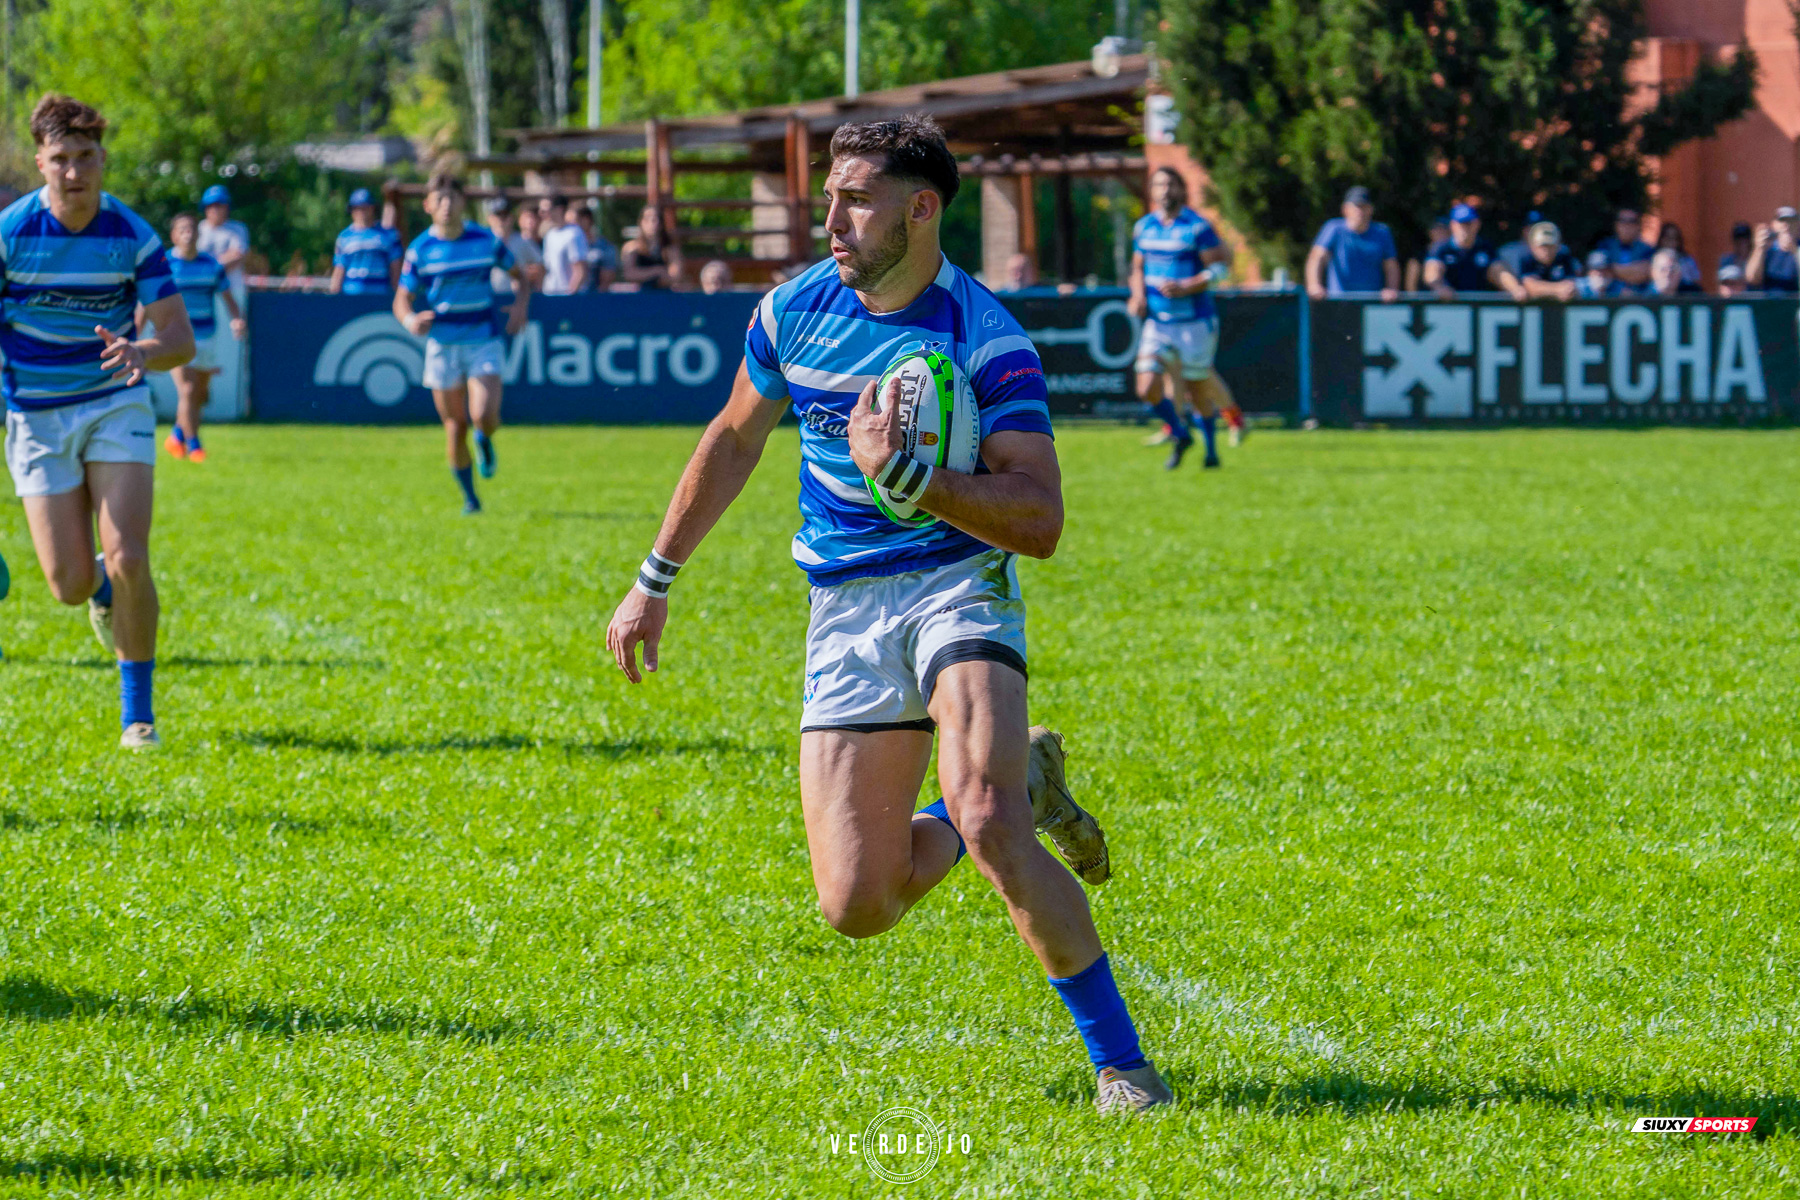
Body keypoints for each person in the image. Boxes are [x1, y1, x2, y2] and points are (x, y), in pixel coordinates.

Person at [604, 114, 1172, 1115]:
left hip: (958, 584)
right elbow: (734, 437)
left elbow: (1039, 519)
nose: (831, 219)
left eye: (856, 200)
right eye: (830, 196)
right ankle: (1023, 777)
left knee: (992, 824)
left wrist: (912, 478)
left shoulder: (987, 339)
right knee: (858, 904)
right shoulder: (791, 312)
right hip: (844, 607)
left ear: (921, 209)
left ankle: (1123, 1067)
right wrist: (654, 579)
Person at [3, 93, 195, 750]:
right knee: (68, 585)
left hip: (115, 403)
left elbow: (179, 339)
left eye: (86, 157)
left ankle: (137, 717)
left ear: (103, 159)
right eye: (61, 158)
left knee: (131, 555)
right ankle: (99, 587)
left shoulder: (131, 235)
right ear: (40, 162)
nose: (74, 171)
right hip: (37, 415)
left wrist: (142, 351)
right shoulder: (10, 235)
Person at [394, 174, 528, 514]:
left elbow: (520, 276)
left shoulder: (485, 240)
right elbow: (402, 299)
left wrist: (520, 307)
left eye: (452, 197)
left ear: (463, 202)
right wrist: (410, 320)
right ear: (427, 205)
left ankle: (484, 437)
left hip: (482, 339)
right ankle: (471, 498)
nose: (447, 205)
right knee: (454, 427)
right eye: (439, 198)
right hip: (442, 345)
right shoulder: (420, 249)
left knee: (484, 415)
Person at [1127, 166, 1241, 469]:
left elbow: (1220, 269)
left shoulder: (1197, 226)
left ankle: (1211, 453)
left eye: (1170, 184)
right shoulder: (1144, 227)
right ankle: (1180, 433)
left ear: (1181, 188)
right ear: (1151, 191)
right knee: (1146, 387)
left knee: (1196, 388)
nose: (1164, 190)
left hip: (1194, 321)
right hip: (1158, 322)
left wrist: (1186, 286)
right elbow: (1137, 267)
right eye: (1158, 184)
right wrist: (1137, 295)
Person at [159, 212, 245, 462]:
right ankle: (195, 446)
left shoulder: (211, 265)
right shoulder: (164, 264)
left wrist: (237, 319)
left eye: (192, 229)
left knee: (199, 395)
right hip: (176, 336)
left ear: (199, 234)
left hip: (206, 336)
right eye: (182, 229)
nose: (188, 233)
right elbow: (149, 300)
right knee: (187, 390)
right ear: (174, 235)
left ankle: (176, 436)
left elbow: (228, 297)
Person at [1305, 186, 1399, 301]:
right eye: (1356, 206)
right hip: (1339, 301)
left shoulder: (1382, 232)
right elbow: (1317, 257)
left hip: (1372, 302)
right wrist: (1314, 285)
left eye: (1364, 207)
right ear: (1345, 209)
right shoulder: (1334, 228)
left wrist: (1391, 289)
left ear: (1371, 209)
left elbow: (1391, 265)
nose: (1360, 211)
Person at [1423, 203, 1509, 298]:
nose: (1465, 228)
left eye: (1469, 223)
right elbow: (1432, 273)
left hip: (1479, 303)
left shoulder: (1485, 247)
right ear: (1452, 225)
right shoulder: (1441, 248)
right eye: (1461, 223)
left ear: (1477, 224)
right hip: (1449, 303)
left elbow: (1499, 271)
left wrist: (1515, 288)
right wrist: (1440, 288)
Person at [330, 188, 403, 295]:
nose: (361, 212)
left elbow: (395, 268)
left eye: (365, 207)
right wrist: (334, 293)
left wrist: (398, 294)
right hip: (351, 295)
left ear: (373, 208)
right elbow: (339, 269)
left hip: (380, 295)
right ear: (351, 210)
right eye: (357, 208)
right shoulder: (344, 237)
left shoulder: (389, 235)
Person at [484, 196, 543, 297]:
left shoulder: (523, 242)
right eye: (498, 215)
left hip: (515, 299)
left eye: (505, 215)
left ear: (512, 217)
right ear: (490, 218)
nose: (501, 220)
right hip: (489, 298)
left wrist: (537, 289)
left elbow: (541, 266)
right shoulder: (483, 243)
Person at [196, 184, 249, 291]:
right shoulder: (198, 228)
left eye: (219, 205)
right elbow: (192, 257)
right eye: (211, 205)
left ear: (227, 207)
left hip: (233, 287)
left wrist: (207, 267)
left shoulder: (238, 228)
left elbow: (236, 256)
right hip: (203, 287)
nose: (214, 209)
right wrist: (220, 262)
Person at [1513, 222, 1581, 300]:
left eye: (1551, 246)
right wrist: (1557, 290)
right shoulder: (1526, 257)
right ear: (1532, 246)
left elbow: (1570, 285)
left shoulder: (1564, 256)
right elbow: (1530, 286)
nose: (1547, 251)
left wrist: (1547, 289)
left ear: (1558, 246)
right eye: (1542, 246)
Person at [537, 194, 589, 296]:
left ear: (559, 209)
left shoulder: (574, 233)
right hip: (550, 295)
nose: (541, 214)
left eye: (545, 210)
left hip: (567, 298)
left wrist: (568, 296)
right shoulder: (549, 234)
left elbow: (580, 271)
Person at [1593, 208, 1655, 292]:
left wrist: (1612, 269)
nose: (1627, 225)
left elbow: (1645, 273)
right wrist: (1632, 271)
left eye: (1632, 221)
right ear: (1616, 224)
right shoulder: (1604, 246)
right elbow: (1598, 272)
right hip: (1609, 295)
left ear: (1638, 226)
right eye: (1622, 220)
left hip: (1639, 296)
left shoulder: (1647, 249)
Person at [620, 205, 682, 289]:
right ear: (641, 222)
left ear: (661, 223)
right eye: (647, 219)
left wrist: (645, 276)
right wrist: (657, 271)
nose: (653, 223)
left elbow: (675, 275)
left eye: (656, 219)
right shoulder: (631, 247)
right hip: (639, 293)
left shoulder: (670, 248)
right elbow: (629, 274)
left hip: (663, 292)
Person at [1745, 206, 1799, 293]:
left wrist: (1794, 250)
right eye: (1782, 220)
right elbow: (1752, 279)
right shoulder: (1767, 250)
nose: (1786, 225)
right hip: (1769, 300)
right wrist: (1759, 249)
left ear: (1798, 225)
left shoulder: (1797, 249)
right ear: (1773, 224)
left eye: (1791, 221)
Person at [573, 204, 618, 289]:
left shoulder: (605, 247)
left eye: (573, 222)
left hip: (593, 295)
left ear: (586, 220)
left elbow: (606, 280)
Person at [1405, 216, 1451, 292]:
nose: (1441, 232)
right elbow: (1411, 283)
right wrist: (1413, 298)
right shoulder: (1419, 255)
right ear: (1430, 232)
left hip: (1452, 297)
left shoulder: (1454, 252)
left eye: (1444, 229)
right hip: (1424, 297)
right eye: (1437, 229)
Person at [1655, 222, 1702, 293]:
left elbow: (1695, 280)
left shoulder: (1687, 260)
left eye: (1675, 238)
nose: (1671, 241)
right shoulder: (1654, 258)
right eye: (1667, 237)